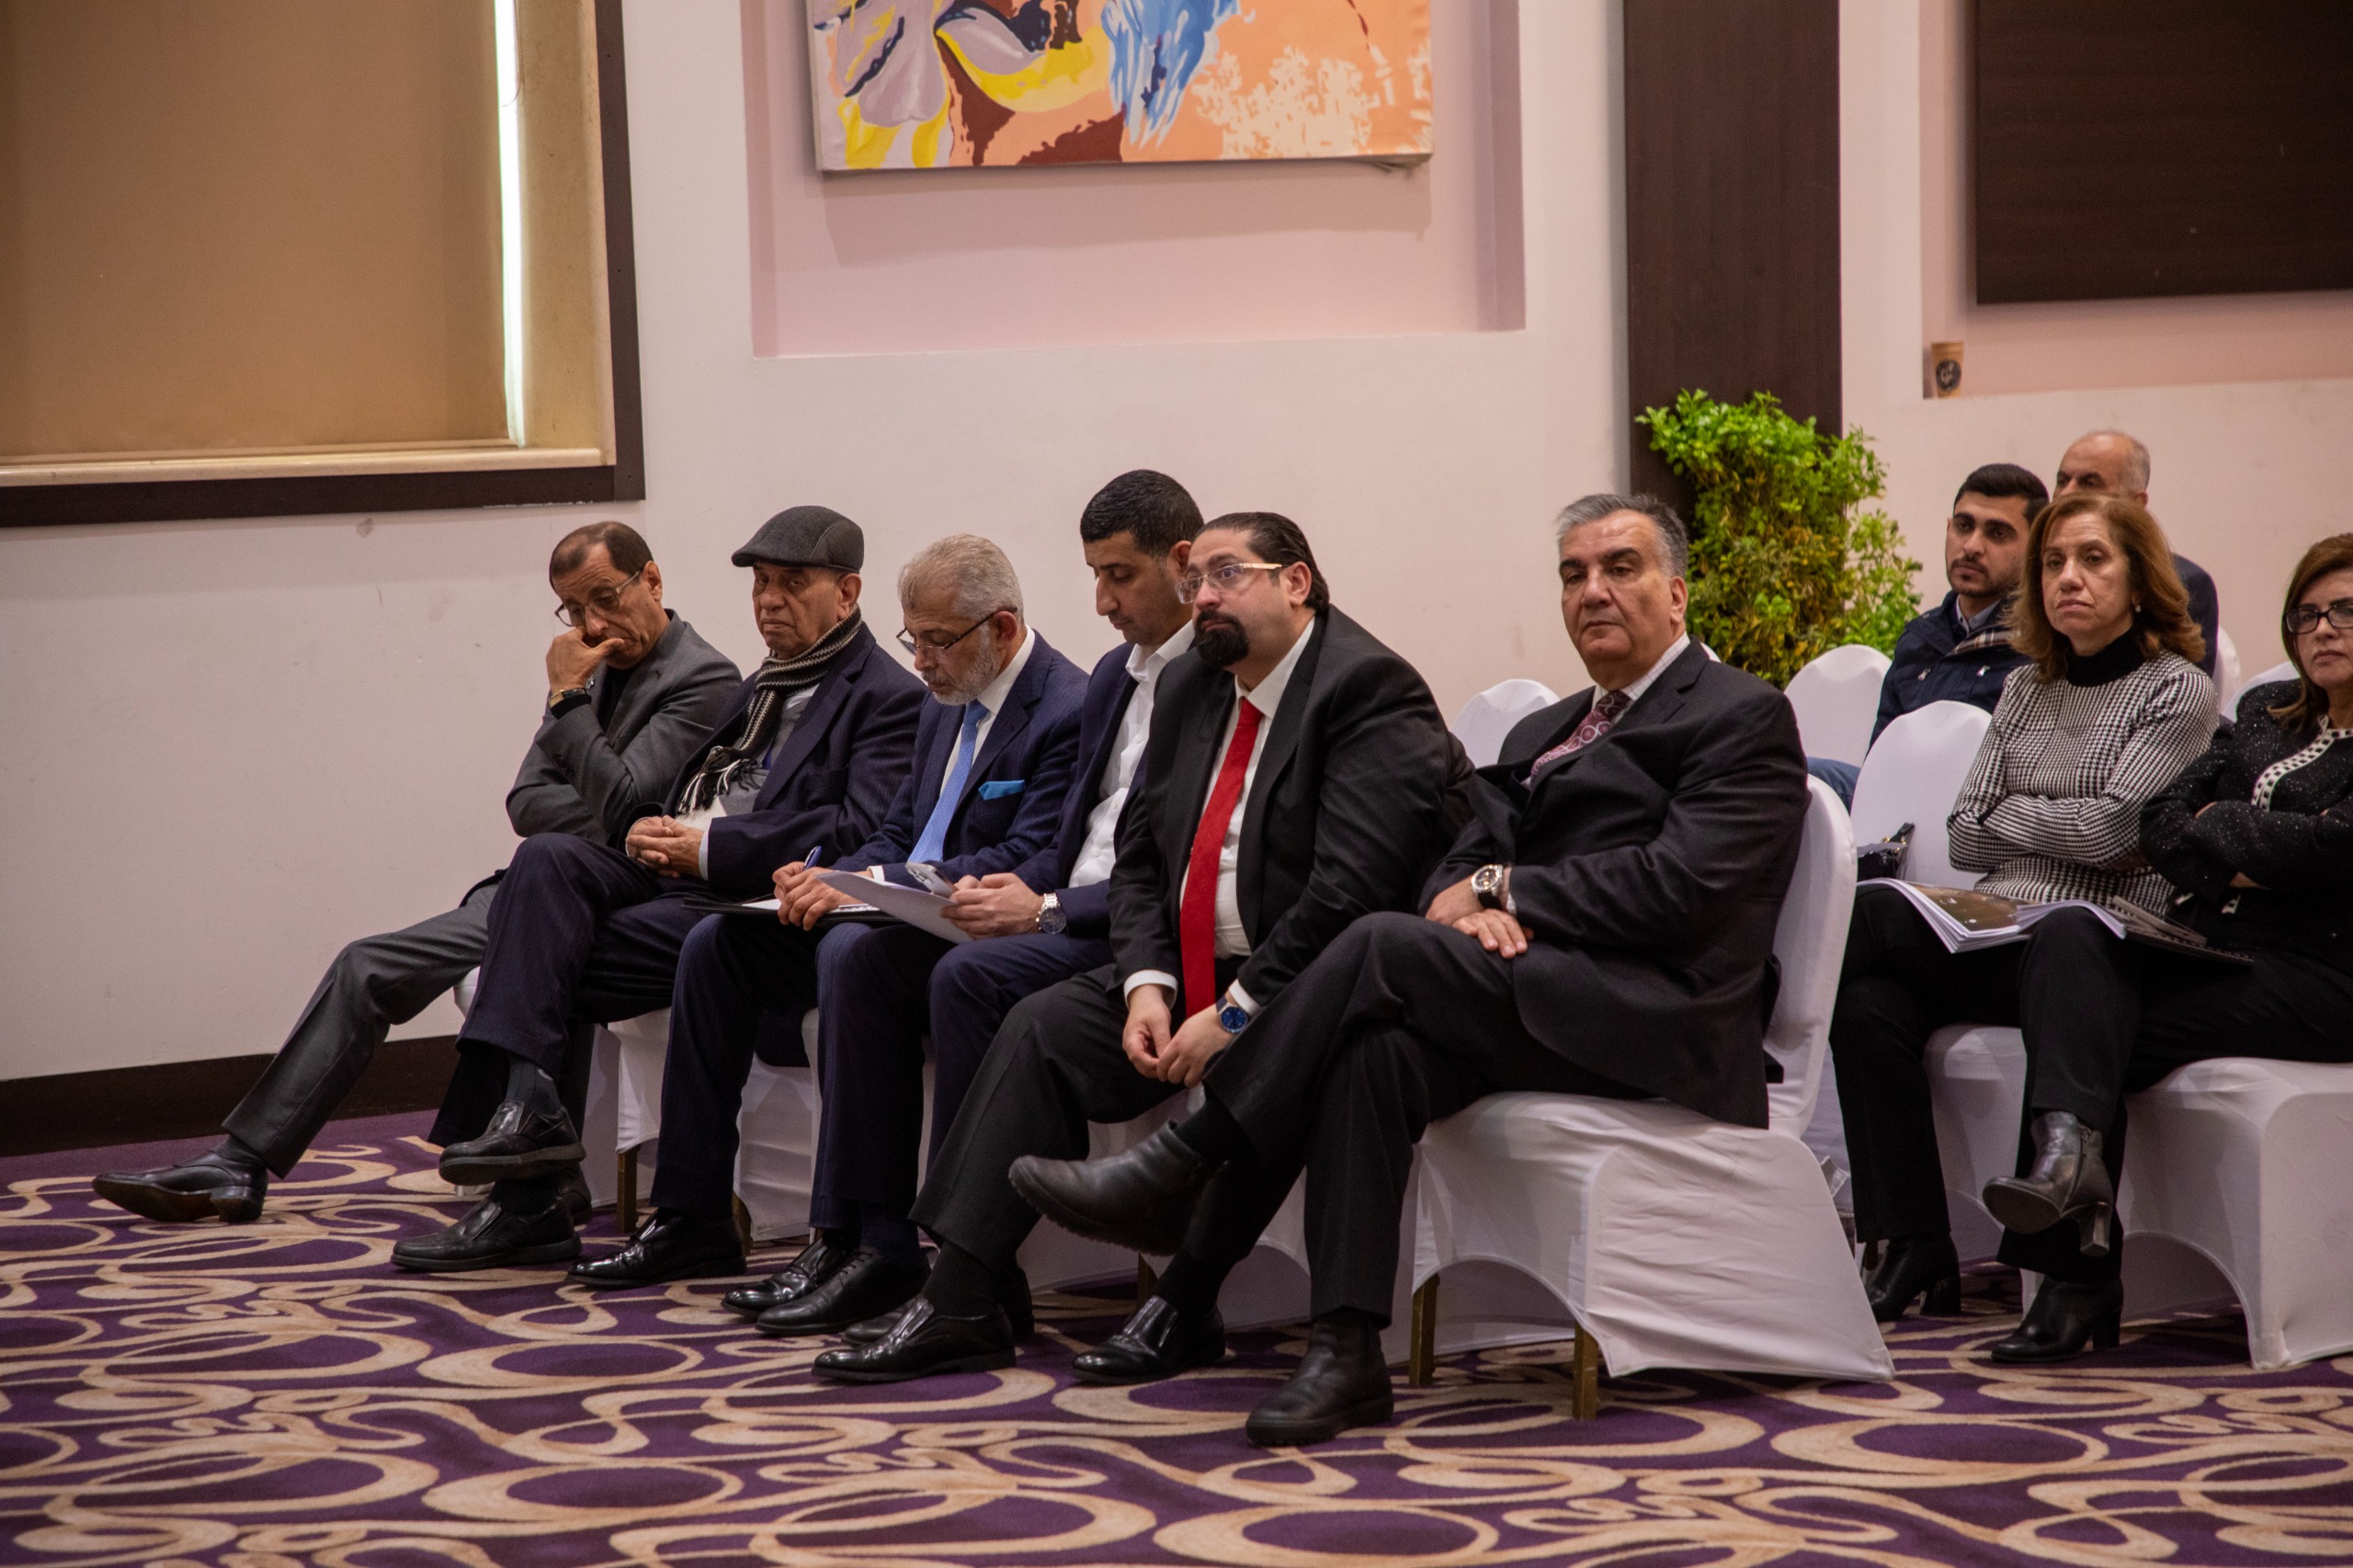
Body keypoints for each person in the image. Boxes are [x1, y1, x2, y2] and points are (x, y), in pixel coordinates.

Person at [999, 494, 1812, 1447]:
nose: (1592, 590)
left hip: (1661, 1014)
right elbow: (1461, 849)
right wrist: (1463, 897)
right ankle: (1345, 1351)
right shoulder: (1549, 728)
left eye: (1619, 568)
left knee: (1378, 941)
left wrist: (1507, 891)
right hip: (1538, 993)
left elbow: (1683, 887)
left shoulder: (1741, 714)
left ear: (1676, 594)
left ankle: (1188, 1165)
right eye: (1572, 574)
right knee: (1372, 1050)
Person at [810, 512, 1472, 1395]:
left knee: (1282, 1046)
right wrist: (1149, 985)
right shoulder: (1194, 681)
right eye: (1197, 579)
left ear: (1296, 583)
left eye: (1227, 574)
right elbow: (1141, 860)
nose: (1203, 596)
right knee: (1041, 1025)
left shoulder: (1366, 687)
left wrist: (1231, 1011)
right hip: (1185, 965)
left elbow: (1351, 895)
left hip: (1300, 976)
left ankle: (1184, 1293)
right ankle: (962, 1294)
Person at [92, 522, 738, 1227]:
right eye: (574, 609)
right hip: (543, 884)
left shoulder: (702, 678)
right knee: (366, 965)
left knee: (511, 946)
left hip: (624, 895)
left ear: (652, 580)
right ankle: (241, 1161)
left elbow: (631, 802)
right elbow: (526, 801)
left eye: (605, 599)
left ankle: (546, 1184)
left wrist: (567, 705)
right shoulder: (589, 671)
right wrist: (592, 763)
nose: (593, 625)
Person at [726, 472, 1205, 1337]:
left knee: (967, 976)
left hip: (1114, 925)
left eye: (1118, 577)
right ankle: (866, 1240)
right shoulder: (1114, 676)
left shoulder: (1113, 692)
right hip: (1051, 899)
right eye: (1095, 576)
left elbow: (1123, 856)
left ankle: (967, 1268)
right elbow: (1023, 833)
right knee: (850, 955)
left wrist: (1047, 905)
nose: (1100, 601)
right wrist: (846, 880)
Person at [388, 506, 926, 1272]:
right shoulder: (762, 686)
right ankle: (531, 1122)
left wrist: (707, 847)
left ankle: (529, 1193)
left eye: (792, 583)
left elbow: (855, 829)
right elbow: (554, 801)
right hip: (675, 873)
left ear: (847, 593)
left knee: (534, 956)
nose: (769, 600)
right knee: (545, 859)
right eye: (761, 584)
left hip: (744, 900)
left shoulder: (885, 695)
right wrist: (661, 831)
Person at [556, 534, 1089, 1288]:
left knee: (850, 953)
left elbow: (1030, 856)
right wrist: (826, 878)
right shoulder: (946, 699)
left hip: (970, 923)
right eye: (912, 639)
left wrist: (868, 881)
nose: (920, 661)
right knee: (717, 942)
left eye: (936, 642)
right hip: (894, 906)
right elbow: (896, 829)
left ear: (1000, 629)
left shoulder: (1066, 708)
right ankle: (692, 1216)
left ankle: (861, 1238)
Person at [1827, 491, 2215, 1341]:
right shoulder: (2025, 690)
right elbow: (1964, 833)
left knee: (2071, 927)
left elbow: (2120, 832)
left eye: (2093, 559)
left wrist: (2019, 814)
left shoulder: (2177, 692)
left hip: (2107, 947)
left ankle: (2076, 1272)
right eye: (2053, 563)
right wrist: (2062, 821)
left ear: (2140, 579)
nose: (2068, 577)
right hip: (2002, 928)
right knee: (1865, 975)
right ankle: (1911, 1242)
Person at [1972, 535, 2353, 1362]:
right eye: (2308, 613)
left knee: (2081, 1030)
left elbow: (2339, 852)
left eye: (2346, 612)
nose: (2324, 629)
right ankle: (2069, 1174)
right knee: (2073, 933)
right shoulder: (2268, 713)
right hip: (2221, 948)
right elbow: (2161, 824)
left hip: (2328, 976)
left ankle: (2075, 1272)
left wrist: (2226, 829)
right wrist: (2258, 851)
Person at [1808, 464, 2044, 807]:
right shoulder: (1920, 638)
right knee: (1787, 772)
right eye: (1963, 526)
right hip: (1894, 804)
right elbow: (1879, 762)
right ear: (1948, 528)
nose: (1972, 546)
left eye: (1997, 534)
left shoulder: (2041, 648)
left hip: (1982, 816)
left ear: (2035, 549)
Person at [2054, 429, 2220, 676]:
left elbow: (2181, 680)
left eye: (2089, 483)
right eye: (2062, 481)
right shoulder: (2038, 572)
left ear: (2136, 503)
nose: (2066, 494)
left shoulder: (2183, 581)